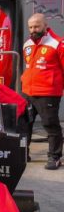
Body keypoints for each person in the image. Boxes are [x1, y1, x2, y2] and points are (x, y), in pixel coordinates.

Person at [21, 13, 64, 170]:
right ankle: (22, 153)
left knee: (50, 125)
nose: (33, 30)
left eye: (37, 26)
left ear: (45, 25)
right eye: (31, 27)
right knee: (25, 125)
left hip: (48, 93)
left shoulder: (58, 43)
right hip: (28, 92)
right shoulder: (27, 45)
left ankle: (55, 157)